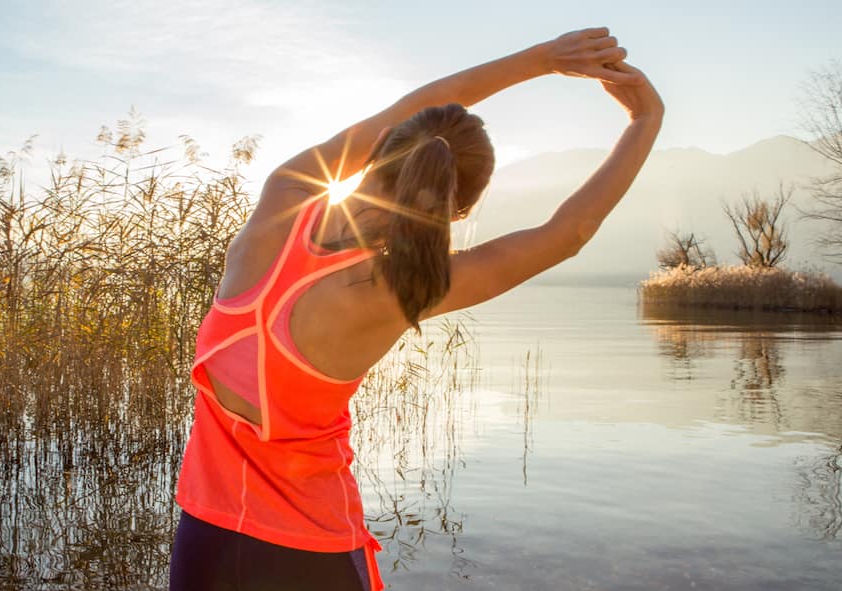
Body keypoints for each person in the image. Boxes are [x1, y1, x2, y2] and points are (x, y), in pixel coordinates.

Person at [169, 27, 663, 591]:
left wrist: (543, 59)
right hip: (310, 547)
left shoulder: (285, 194)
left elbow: (410, 109)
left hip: (204, 537)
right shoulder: (402, 288)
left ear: (380, 153)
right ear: (459, 211)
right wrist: (644, 120)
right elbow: (567, 233)